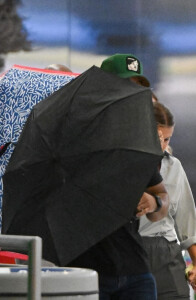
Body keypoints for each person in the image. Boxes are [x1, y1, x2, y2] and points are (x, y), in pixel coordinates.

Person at [67, 54, 169, 300]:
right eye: (125, 86)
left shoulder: (136, 143)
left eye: (137, 89)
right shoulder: (72, 137)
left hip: (136, 272)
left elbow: (163, 199)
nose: (131, 95)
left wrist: (154, 203)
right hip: (86, 274)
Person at [139, 102, 196, 299]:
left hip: (167, 251)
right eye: (159, 138)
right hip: (132, 251)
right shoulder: (123, 164)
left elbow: (188, 223)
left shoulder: (174, 167)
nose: (163, 145)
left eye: (167, 139)